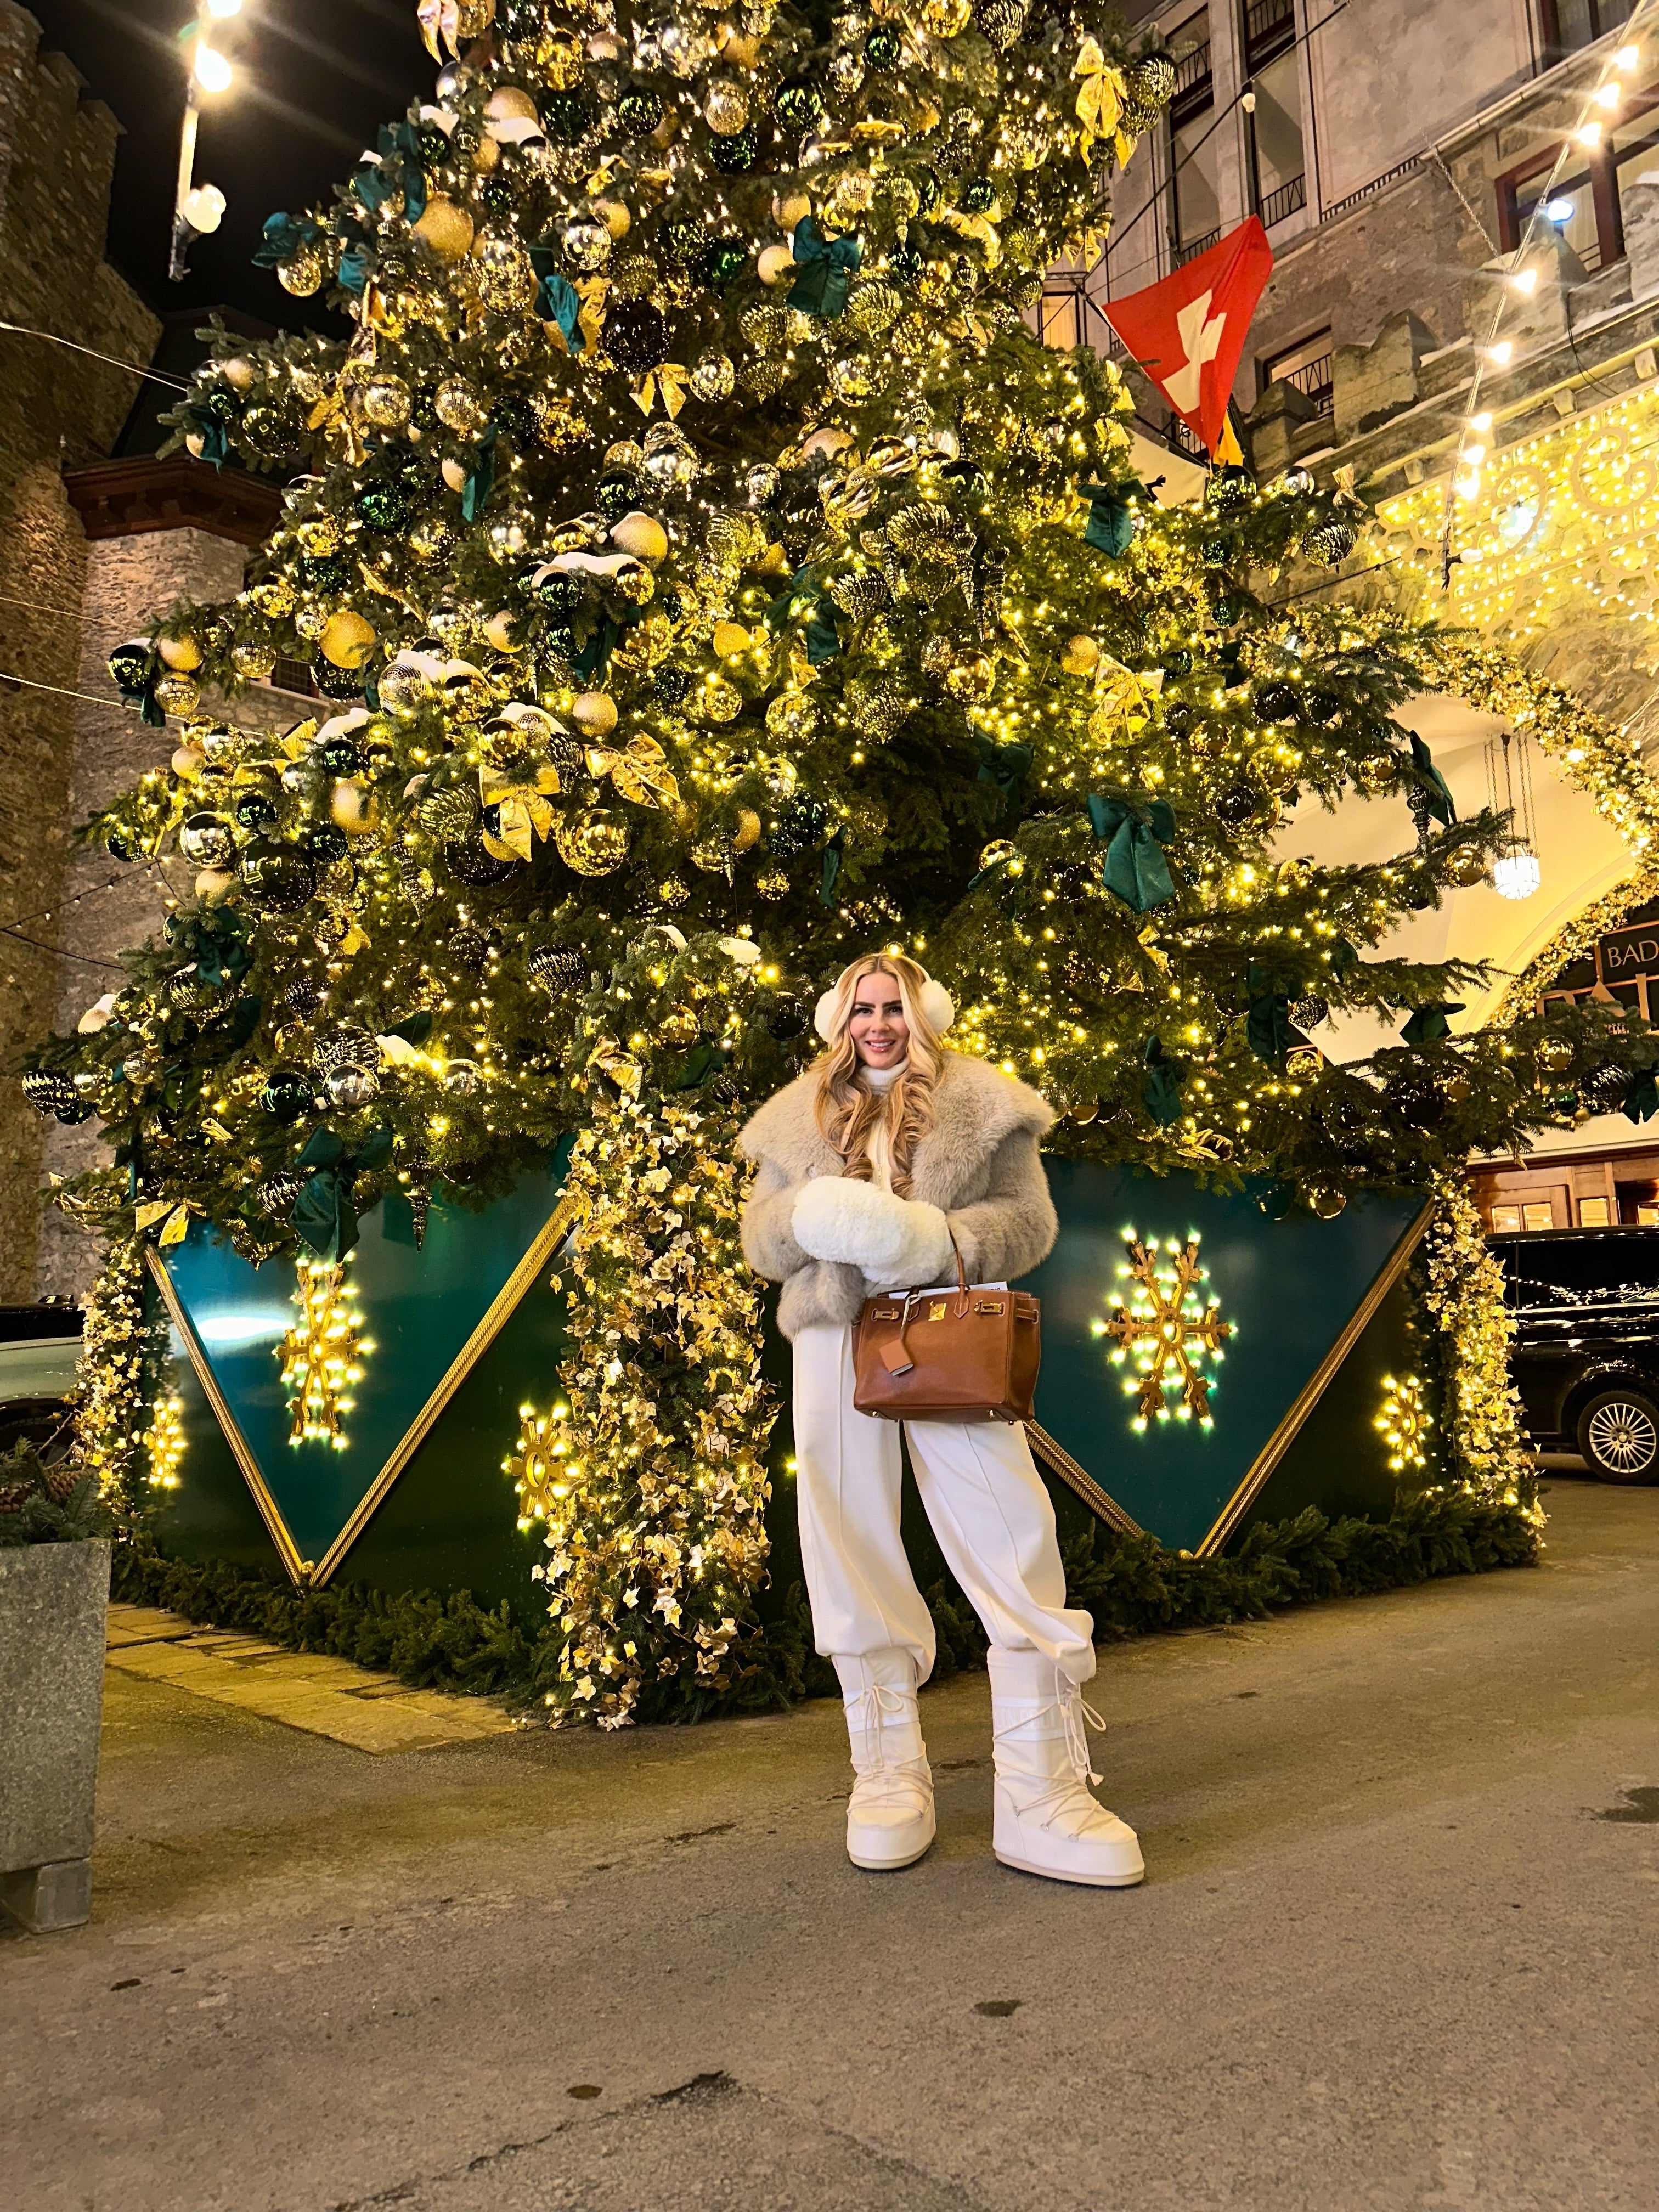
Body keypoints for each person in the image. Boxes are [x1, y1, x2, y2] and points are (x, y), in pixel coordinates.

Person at [739, 953, 1144, 1889]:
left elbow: (1029, 1225)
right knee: (843, 1533)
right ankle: (888, 1774)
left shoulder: (986, 1104)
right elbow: (761, 1241)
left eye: (895, 1008)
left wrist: (939, 1241)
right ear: (838, 1020)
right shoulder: (792, 1117)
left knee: (1007, 1523)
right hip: (833, 1334)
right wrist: (808, 1214)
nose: (879, 1025)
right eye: (863, 1010)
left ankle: (1041, 1789)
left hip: (948, 1328)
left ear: (925, 1015)